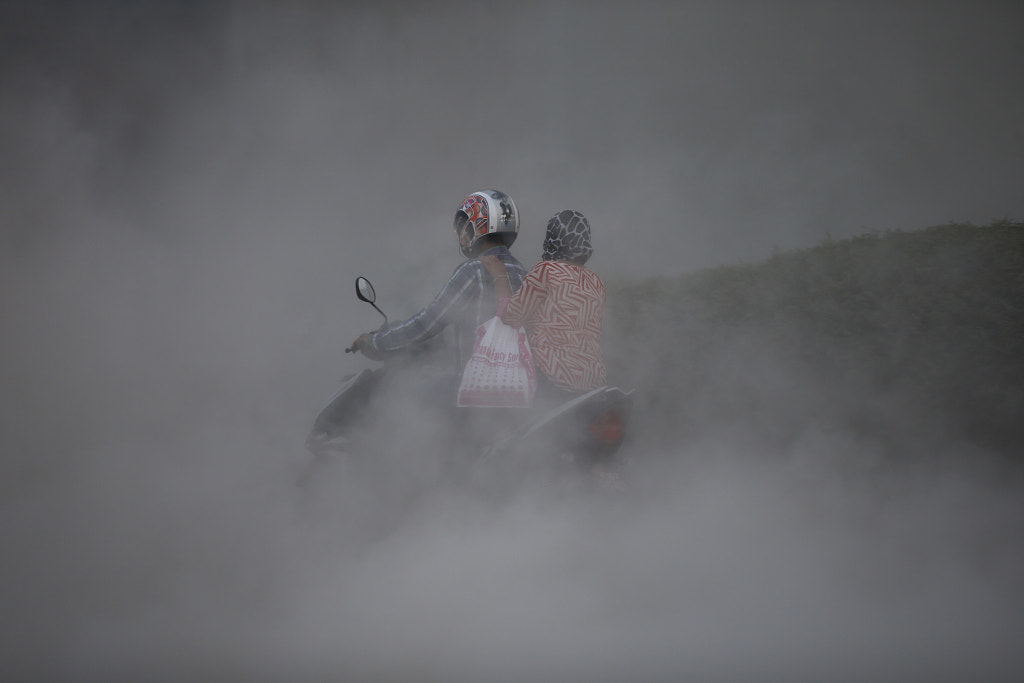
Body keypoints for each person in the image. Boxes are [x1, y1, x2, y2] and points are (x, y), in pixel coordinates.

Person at [349, 190, 528, 395]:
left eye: (462, 228)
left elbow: (427, 323)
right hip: (520, 389)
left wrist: (375, 341)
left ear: (475, 227)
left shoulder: (474, 271)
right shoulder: (526, 275)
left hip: (478, 388)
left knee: (404, 395)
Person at [480, 209, 607, 403]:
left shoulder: (546, 271)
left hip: (552, 379)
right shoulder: (596, 282)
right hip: (593, 382)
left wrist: (499, 275)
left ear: (552, 239)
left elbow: (511, 317)